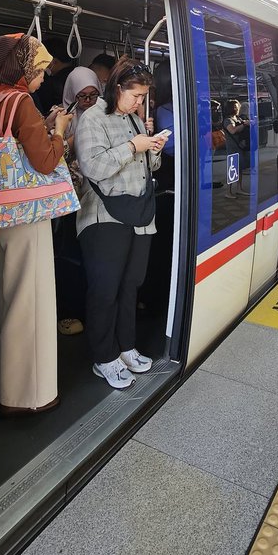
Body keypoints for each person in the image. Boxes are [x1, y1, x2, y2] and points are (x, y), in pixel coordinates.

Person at [0, 34, 72, 415]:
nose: (43, 77)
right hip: (27, 215)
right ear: (21, 67)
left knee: (10, 295)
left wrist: (41, 127)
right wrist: (59, 131)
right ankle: (29, 396)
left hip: (1, 215)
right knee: (32, 301)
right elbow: (46, 162)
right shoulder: (22, 101)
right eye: (39, 69)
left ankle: (13, 388)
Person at [75, 57, 164, 389]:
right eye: (135, 95)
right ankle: (104, 357)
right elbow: (93, 167)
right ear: (116, 88)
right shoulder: (92, 119)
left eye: (142, 97)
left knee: (131, 285)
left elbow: (149, 167)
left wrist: (152, 145)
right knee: (105, 289)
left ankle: (126, 347)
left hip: (138, 213)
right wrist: (133, 146)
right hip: (104, 217)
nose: (139, 102)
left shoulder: (136, 120)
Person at [55, 65, 103, 335]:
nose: (88, 101)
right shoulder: (62, 117)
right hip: (71, 200)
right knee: (70, 256)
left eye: (93, 95)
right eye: (82, 96)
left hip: (98, 197)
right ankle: (70, 313)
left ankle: (91, 309)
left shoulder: (106, 115)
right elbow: (53, 160)